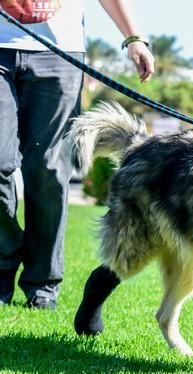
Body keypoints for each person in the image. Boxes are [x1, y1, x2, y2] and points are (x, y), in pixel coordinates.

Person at [0, 0, 155, 309]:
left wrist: (133, 37)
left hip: (59, 52)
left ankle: (42, 283)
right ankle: (4, 260)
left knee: (47, 170)